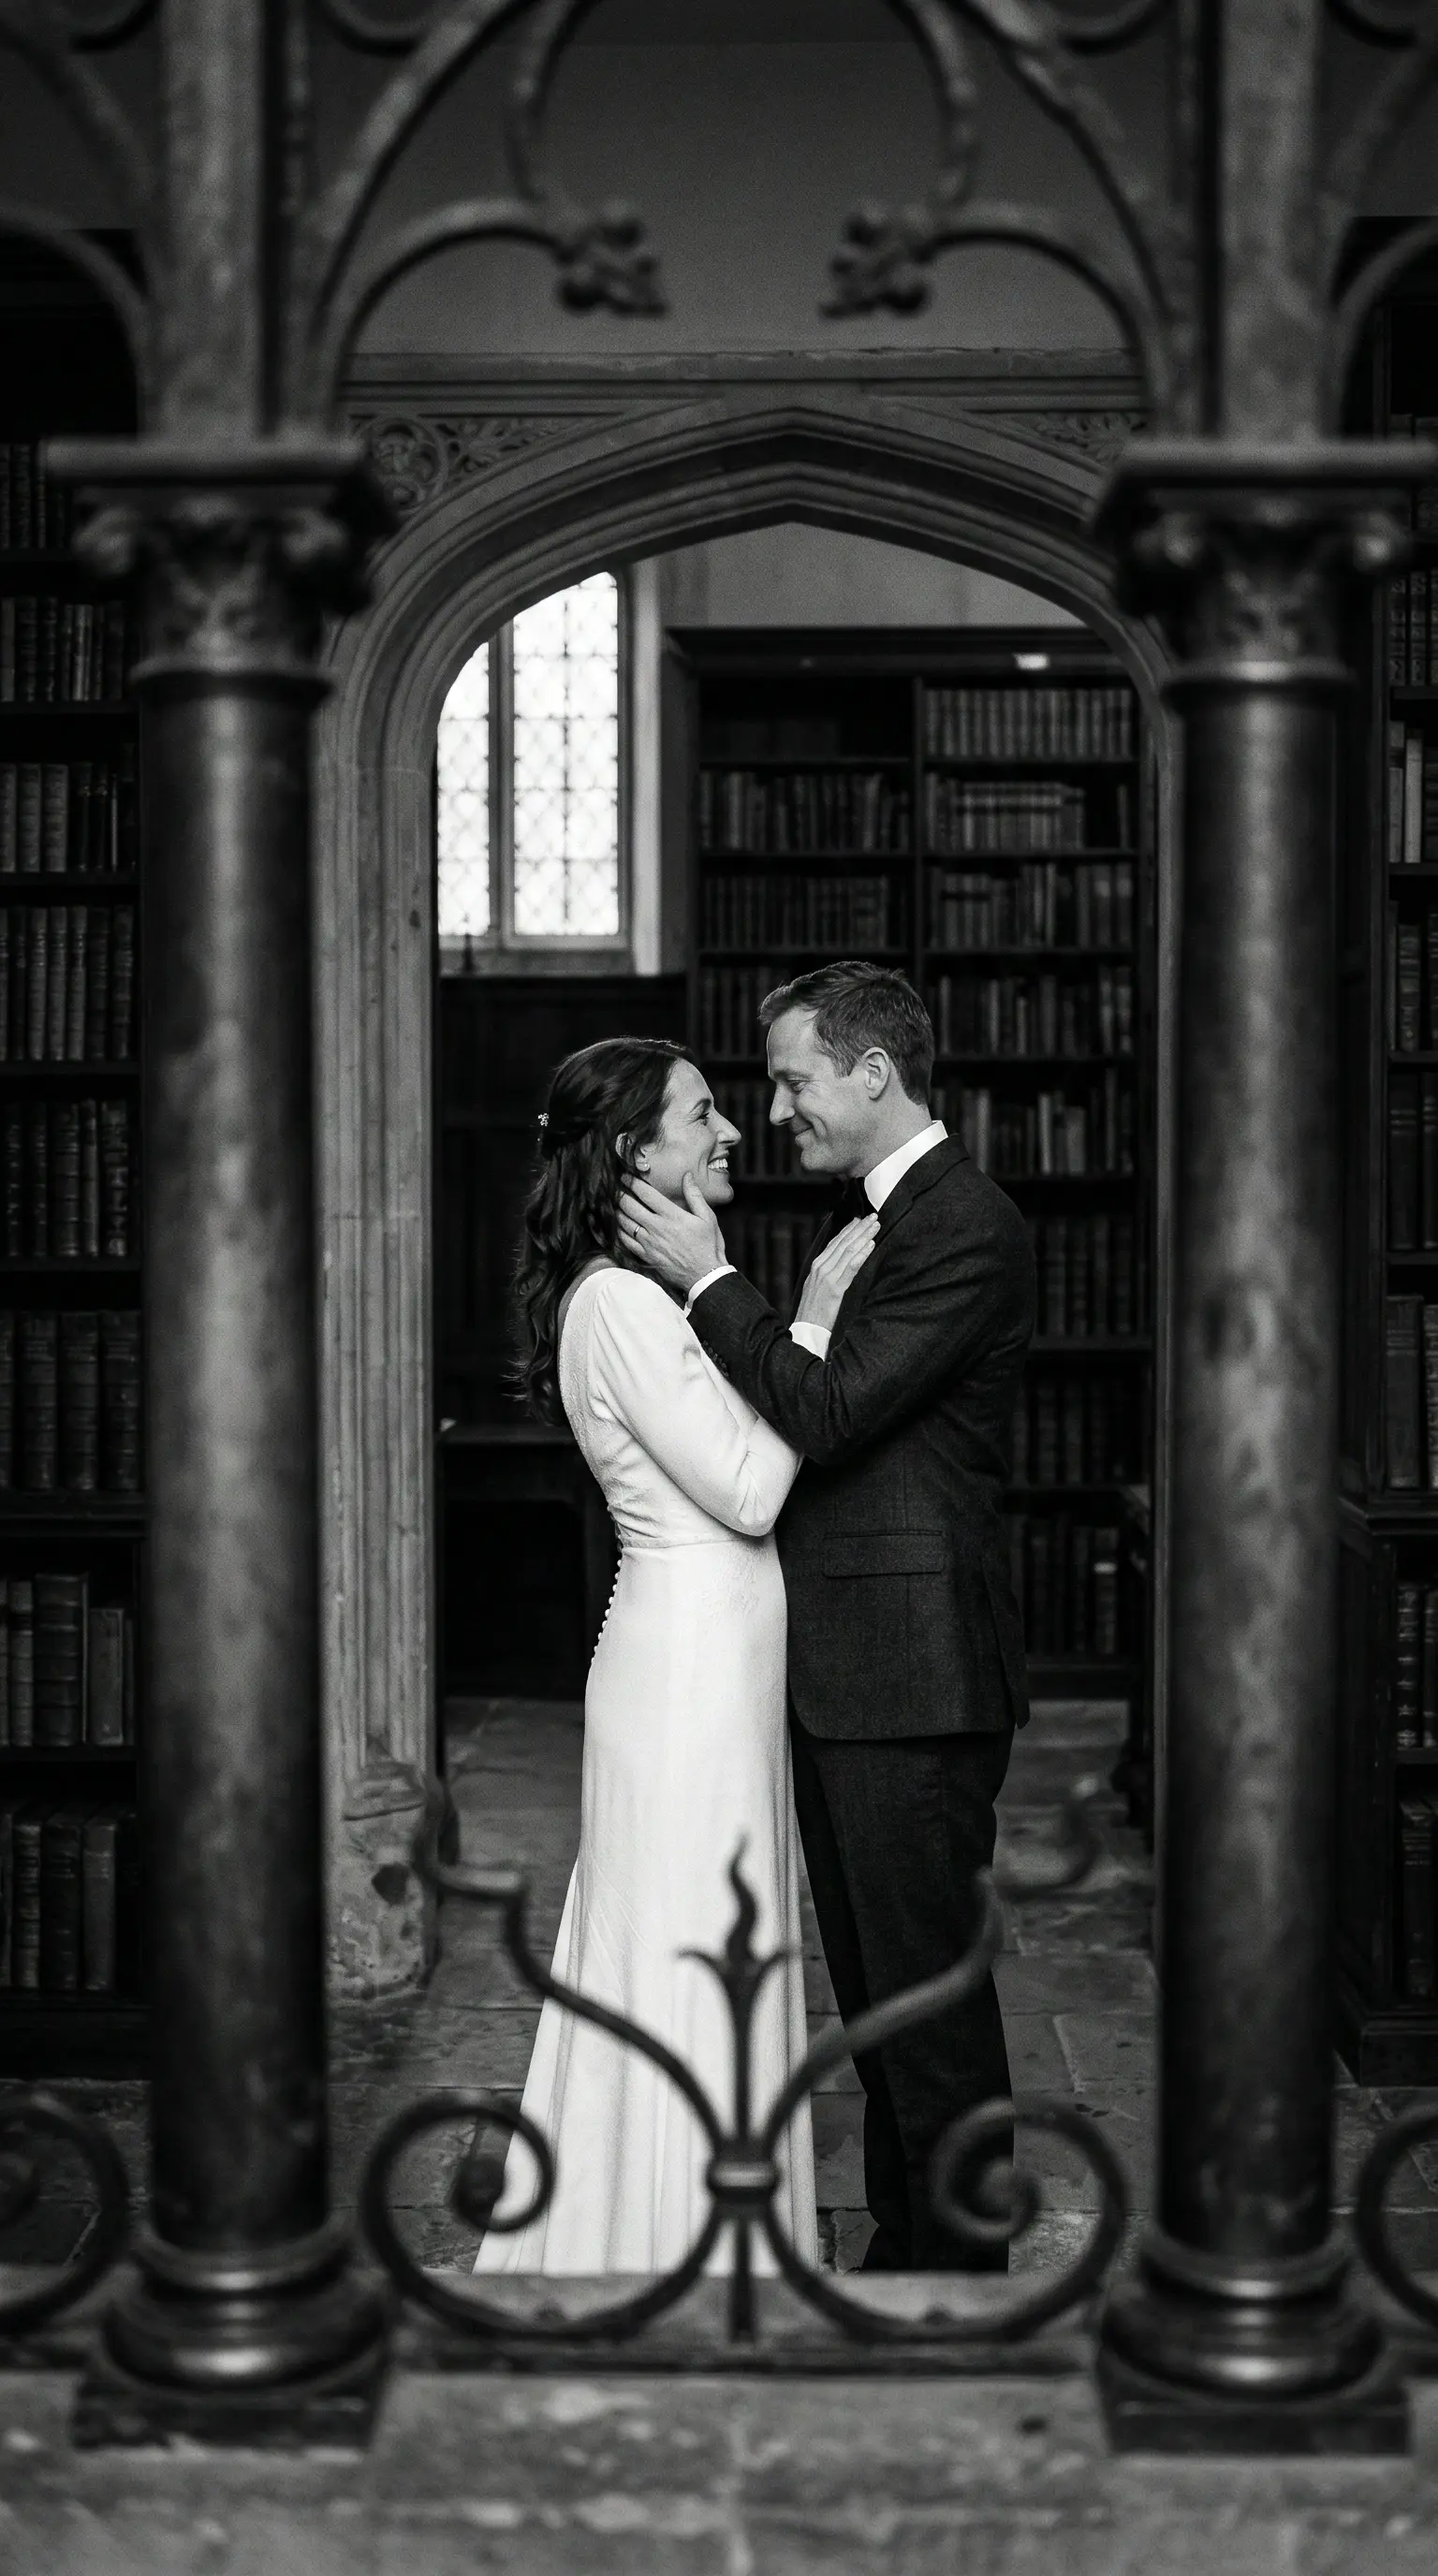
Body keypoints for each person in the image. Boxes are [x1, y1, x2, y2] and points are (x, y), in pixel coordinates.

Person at [618, 963, 1035, 2273]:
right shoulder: (875, 1225)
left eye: (796, 1078)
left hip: (912, 1672)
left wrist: (708, 1277)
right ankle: (909, 2250)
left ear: (873, 1072)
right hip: (858, 1670)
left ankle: (963, 2274)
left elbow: (836, 1410)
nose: (779, 1106)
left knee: (927, 2002)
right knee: (882, 1999)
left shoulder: (960, 1222)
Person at [475, 1035, 877, 2276]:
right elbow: (753, 1491)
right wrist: (810, 1317)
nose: (731, 1132)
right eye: (702, 1115)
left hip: (716, 1661)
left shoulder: (646, 1298)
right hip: (687, 1672)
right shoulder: (620, 1305)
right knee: (693, 1958)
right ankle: (672, 2252)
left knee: (724, 1957)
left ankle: (701, 2231)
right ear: (636, 1152)